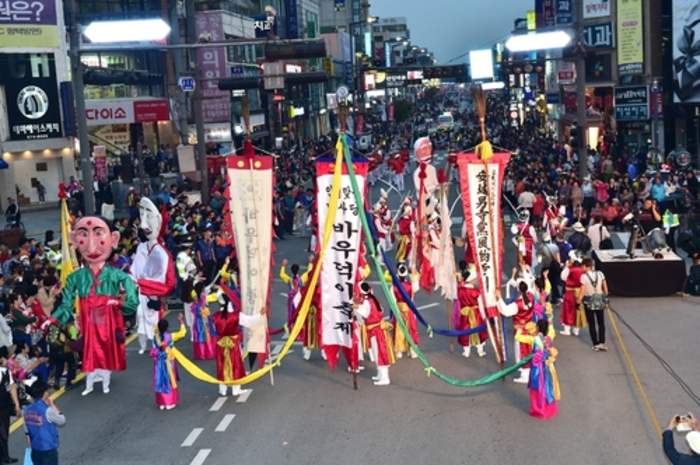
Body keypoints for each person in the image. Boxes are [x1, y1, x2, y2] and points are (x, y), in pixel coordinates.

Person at [53, 216, 139, 396]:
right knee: (90, 356)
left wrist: (117, 302)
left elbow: (132, 301)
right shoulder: (75, 277)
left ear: (113, 239)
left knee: (105, 354)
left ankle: (105, 384)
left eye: (98, 235)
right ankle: (89, 385)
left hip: (107, 324)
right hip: (89, 326)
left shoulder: (117, 275)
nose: (91, 247)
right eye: (84, 236)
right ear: (75, 241)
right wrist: (52, 319)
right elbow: (66, 303)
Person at [130, 198, 176, 355]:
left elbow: (167, 284)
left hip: (153, 297)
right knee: (140, 321)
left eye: (148, 217)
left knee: (154, 321)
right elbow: (133, 271)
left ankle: (157, 343)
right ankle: (143, 345)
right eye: (142, 217)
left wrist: (142, 284)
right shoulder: (141, 247)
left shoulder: (162, 254)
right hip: (140, 295)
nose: (144, 224)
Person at [212, 293, 262, 396]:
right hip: (233, 344)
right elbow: (250, 321)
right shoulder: (235, 315)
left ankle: (223, 389)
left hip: (220, 344)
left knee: (222, 365)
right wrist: (260, 314)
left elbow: (214, 330)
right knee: (236, 365)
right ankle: (236, 389)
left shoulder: (215, 316)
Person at [515, 319, 560, 420]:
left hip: (537, 367)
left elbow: (518, 337)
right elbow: (552, 330)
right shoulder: (549, 337)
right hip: (547, 365)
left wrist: (520, 329)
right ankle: (548, 408)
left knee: (536, 386)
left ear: (537, 327)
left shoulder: (534, 339)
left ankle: (538, 409)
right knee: (547, 385)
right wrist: (551, 323)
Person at [353, 282, 394, 386]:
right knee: (377, 353)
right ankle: (380, 374)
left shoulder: (367, 302)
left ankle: (385, 378)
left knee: (379, 354)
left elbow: (364, 313)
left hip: (376, 331)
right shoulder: (374, 299)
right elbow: (380, 310)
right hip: (377, 330)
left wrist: (354, 306)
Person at [22, 380, 66, 465]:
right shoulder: (47, 410)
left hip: (35, 449)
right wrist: (52, 405)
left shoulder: (26, 409)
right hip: (48, 449)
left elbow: (26, 430)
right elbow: (62, 420)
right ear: (44, 393)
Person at [151, 314, 186, 410]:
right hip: (168, 361)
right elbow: (182, 333)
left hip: (158, 361)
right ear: (167, 327)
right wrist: (181, 321)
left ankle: (162, 402)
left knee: (159, 379)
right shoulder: (170, 336)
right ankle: (169, 402)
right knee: (169, 379)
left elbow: (154, 349)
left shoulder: (155, 338)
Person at [387, 262, 419, 359]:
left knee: (399, 329)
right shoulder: (411, 285)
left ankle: (399, 351)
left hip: (398, 310)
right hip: (409, 310)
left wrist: (395, 310)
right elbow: (416, 286)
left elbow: (392, 301)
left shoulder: (393, 287)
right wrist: (413, 273)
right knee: (411, 329)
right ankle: (412, 351)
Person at [454, 263, 487, 358]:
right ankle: (480, 350)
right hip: (476, 313)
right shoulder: (476, 292)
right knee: (478, 331)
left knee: (465, 331)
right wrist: (484, 316)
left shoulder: (459, 290)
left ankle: (466, 351)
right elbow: (480, 305)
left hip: (465, 313)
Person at [581, 258, 609, 351]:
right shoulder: (600, 273)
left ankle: (595, 344)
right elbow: (605, 285)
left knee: (592, 323)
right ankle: (602, 342)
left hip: (588, 301)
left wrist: (578, 301)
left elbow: (583, 290)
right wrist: (606, 297)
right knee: (601, 322)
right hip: (600, 299)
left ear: (585, 266)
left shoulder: (583, 277)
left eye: (582, 266)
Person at [0, 347, 20, 464]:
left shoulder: (6, 372)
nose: (8, 360)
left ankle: (5, 456)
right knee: (2, 433)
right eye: (5, 358)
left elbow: (12, 387)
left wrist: (16, 405)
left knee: (4, 432)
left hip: (5, 407)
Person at [559, 252, 586, 336]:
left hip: (570, 292)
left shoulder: (570, 269)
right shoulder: (583, 270)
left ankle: (567, 330)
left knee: (568, 310)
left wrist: (566, 267)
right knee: (577, 310)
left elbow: (563, 277)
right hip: (579, 292)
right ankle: (576, 330)